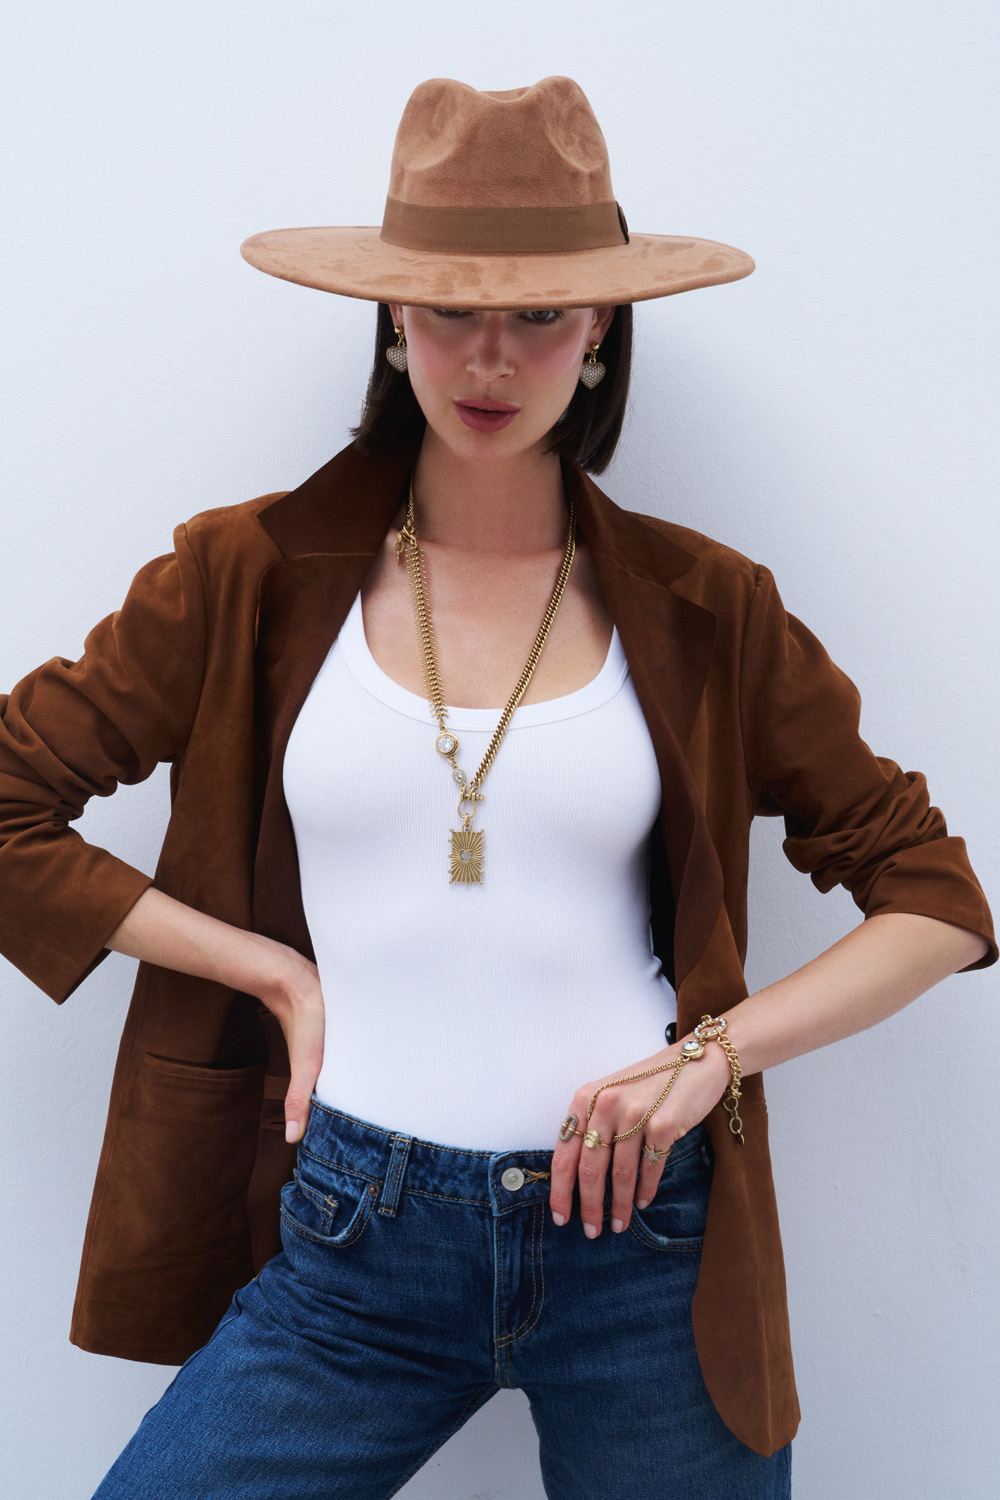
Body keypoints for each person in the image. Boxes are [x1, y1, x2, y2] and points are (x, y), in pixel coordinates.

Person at [0, 74, 993, 1500]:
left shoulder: (704, 605)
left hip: (644, 1242)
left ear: (600, 335)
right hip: (358, 1236)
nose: (489, 358)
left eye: (540, 315)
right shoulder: (247, 574)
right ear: (391, 319)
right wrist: (267, 969)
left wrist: (715, 1056)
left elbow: (937, 900)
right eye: (450, 309)